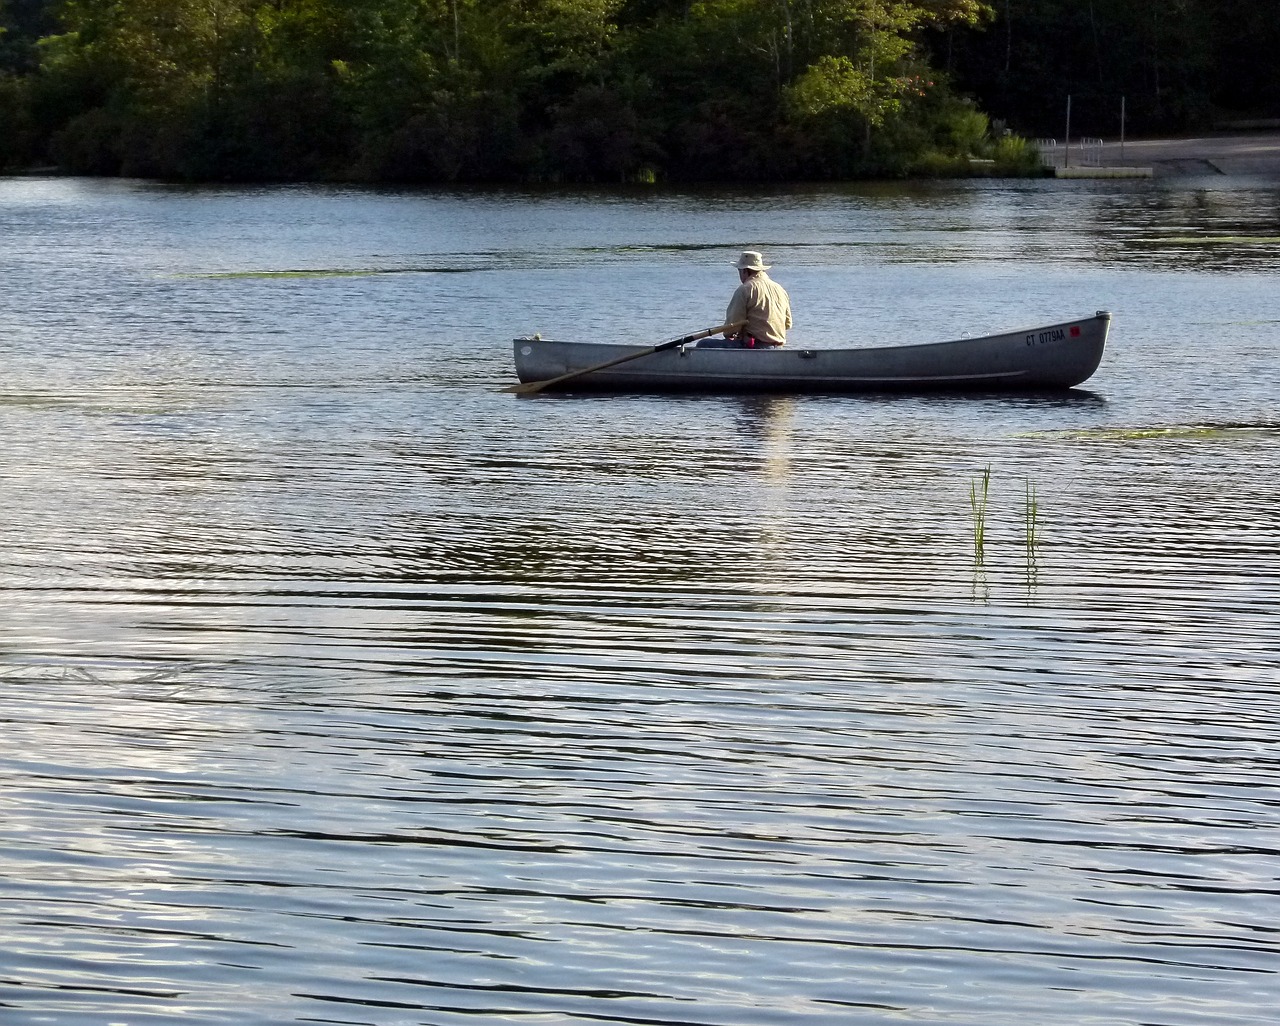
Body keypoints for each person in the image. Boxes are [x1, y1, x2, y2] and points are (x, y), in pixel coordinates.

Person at [701, 250, 792, 348]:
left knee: (703, 344)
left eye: (739, 271)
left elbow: (731, 328)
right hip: (778, 348)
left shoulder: (745, 289)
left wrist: (732, 335)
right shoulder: (780, 289)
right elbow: (788, 324)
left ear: (745, 270)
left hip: (754, 347)